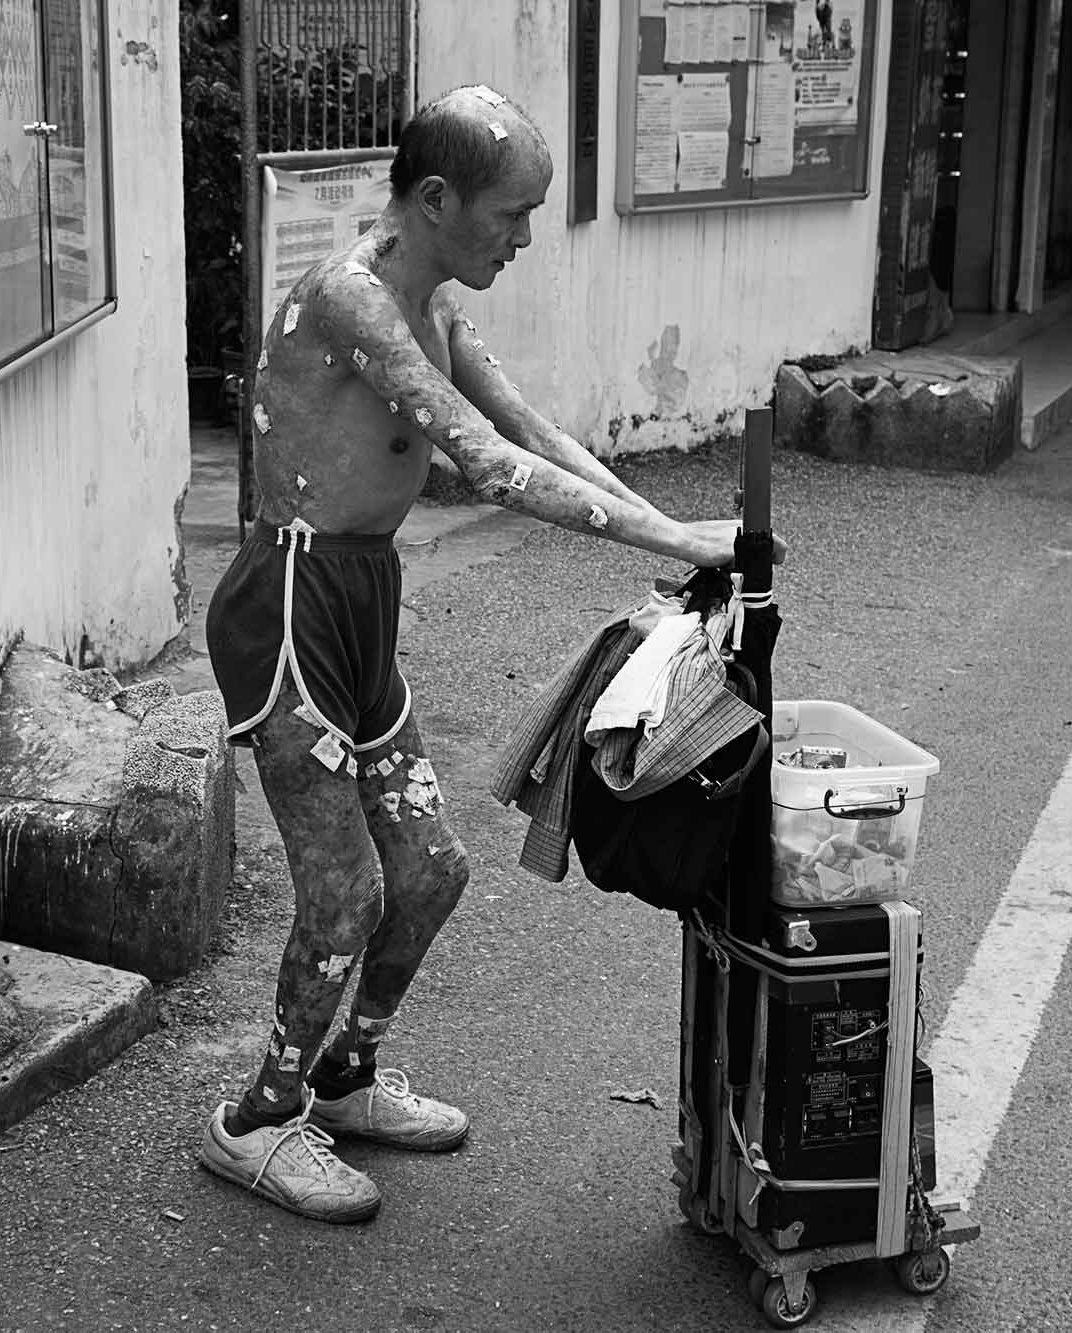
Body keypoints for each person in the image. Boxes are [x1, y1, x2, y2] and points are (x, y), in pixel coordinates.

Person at [196, 84, 782, 1225]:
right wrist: (674, 536)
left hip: (356, 598)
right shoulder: (352, 303)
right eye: (510, 215)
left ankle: (344, 1078)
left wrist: (681, 535)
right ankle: (255, 1120)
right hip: (289, 609)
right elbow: (487, 465)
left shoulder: (433, 307)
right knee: (345, 890)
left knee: (430, 871)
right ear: (433, 200)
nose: (521, 239)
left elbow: (531, 430)